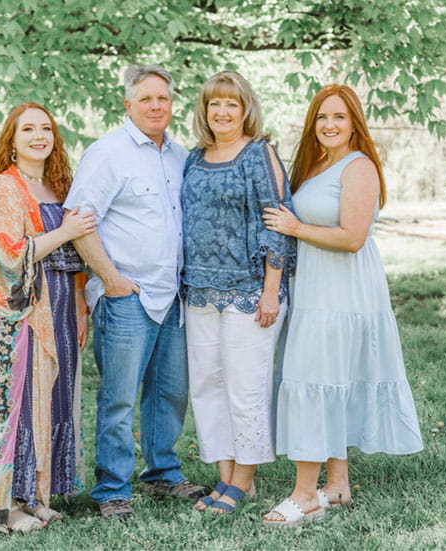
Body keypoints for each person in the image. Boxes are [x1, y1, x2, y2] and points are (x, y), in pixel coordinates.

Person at [260, 84, 424, 528]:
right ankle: (337, 484)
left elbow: (353, 238)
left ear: (355, 123)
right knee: (328, 378)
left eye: (339, 117)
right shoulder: (317, 165)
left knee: (316, 377)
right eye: (321, 118)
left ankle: (305, 495)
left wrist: (295, 226)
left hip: (342, 291)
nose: (329, 125)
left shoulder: (360, 167)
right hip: (315, 286)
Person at [64, 65, 209, 520]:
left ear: (172, 104)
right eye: (145, 99)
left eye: (162, 99)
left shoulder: (179, 156)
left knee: (169, 393)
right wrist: (110, 280)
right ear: (128, 105)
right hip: (127, 297)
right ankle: (111, 489)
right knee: (119, 397)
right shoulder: (108, 153)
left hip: (173, 297)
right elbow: (78, 221)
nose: (155, 106)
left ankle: (162, 473)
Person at [0, 103, 96, 533]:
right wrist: (65, 232)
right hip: (20, 315)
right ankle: (9, 503)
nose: (39, 135)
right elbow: (8, 255)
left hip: (60, 307)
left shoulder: (60, 186)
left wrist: (80, 305)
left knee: (54, 398)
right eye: (28, 129)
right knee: (21, 404)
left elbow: (77, 257)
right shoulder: (5, 189)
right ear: (12, 139)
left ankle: (38, 493)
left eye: (46, 128)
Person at [181, 70, 296, 515]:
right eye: (214, 104)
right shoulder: (193, 158)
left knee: (245, 388)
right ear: (204, 111)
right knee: (208, 386)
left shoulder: (258, 153)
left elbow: (276, 220)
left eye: (231, 103)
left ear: (245, 109)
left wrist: (272, 289)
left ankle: (245, 479)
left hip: (250, 292)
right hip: (200, 293)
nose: (222, 112)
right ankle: (226, 478)